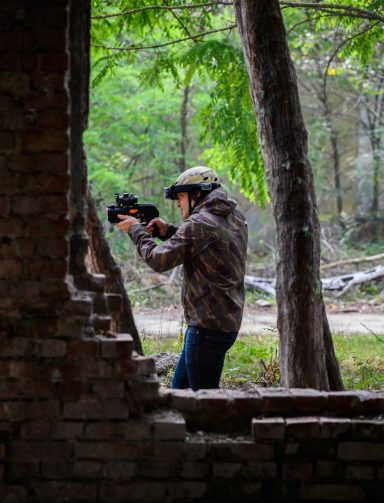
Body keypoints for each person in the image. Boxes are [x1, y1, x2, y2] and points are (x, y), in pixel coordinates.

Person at [117, 166, 248, 390]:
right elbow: (207, 240)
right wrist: (167, 230)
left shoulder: (201, 223)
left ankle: (211, 426)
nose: (178, 204)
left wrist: (136, 231)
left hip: (206, 328)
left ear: (197, 194)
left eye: (180, 196)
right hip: (221, 322)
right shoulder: (232, 216)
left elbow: (159, 260)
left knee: (203, 400)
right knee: (181, 391)